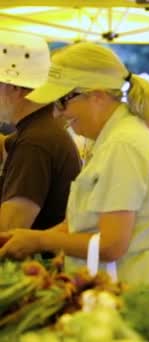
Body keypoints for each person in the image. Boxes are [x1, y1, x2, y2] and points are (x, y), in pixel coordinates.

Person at [0, 42, 149, 340]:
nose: (59, 114)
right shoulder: (113, 139)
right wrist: (25, 237)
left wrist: (37, 239)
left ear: (96, 95)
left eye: (63, 102)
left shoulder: (123, 144)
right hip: (122, 288)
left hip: (138, 291)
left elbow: (112, 244)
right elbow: (86, 221)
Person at [0, 30, 80, 232]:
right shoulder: (39, 129)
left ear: (13, 88)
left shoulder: (35, 142)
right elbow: (8, 145)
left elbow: (10, 228)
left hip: (39, 261)